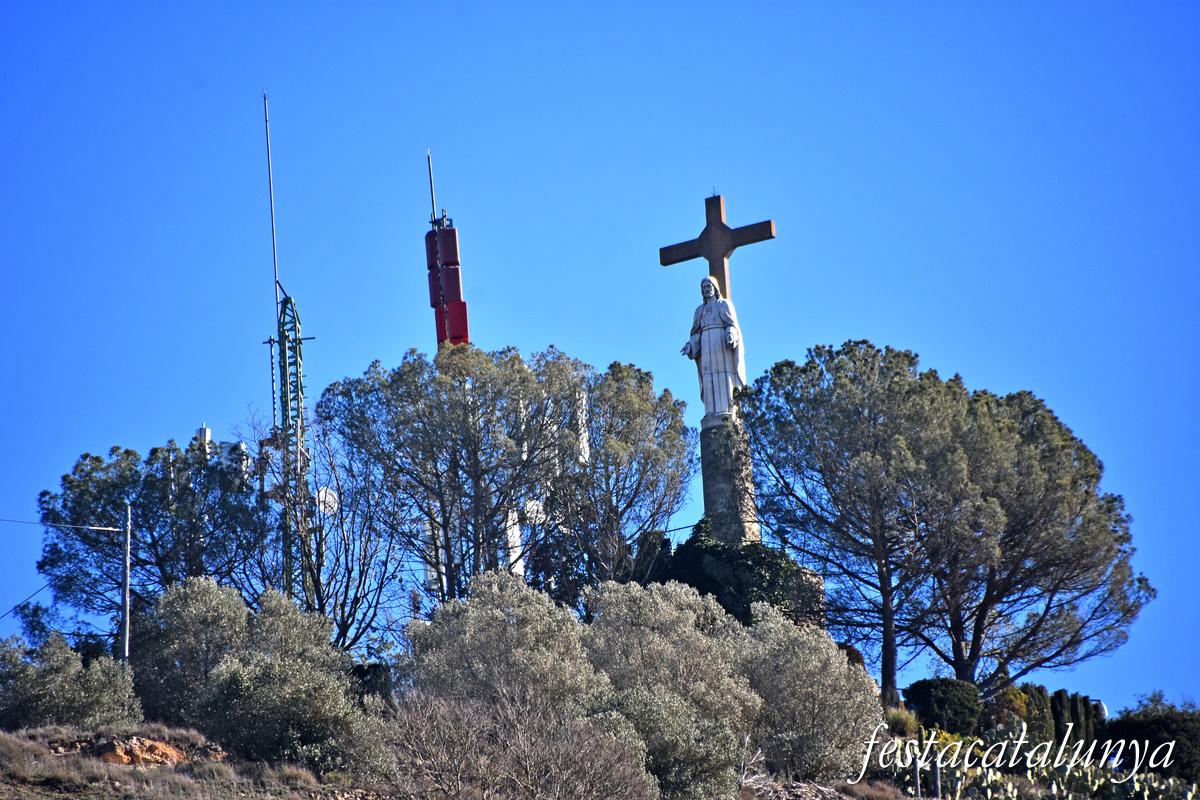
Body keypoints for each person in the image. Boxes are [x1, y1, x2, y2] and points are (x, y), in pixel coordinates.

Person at [681, 276, 746, 419]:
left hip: (720, 342)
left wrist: (730, 334)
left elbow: (732, 325)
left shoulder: (724, 305)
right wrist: (690, 346)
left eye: (708, 287)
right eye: (703, 288)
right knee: (708, 375)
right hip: (705, 344)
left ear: (714, 288)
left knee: (722, 374)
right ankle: (710, 410)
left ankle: (725, 408)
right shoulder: (699, 311)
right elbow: (696, 333)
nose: (706, 290)